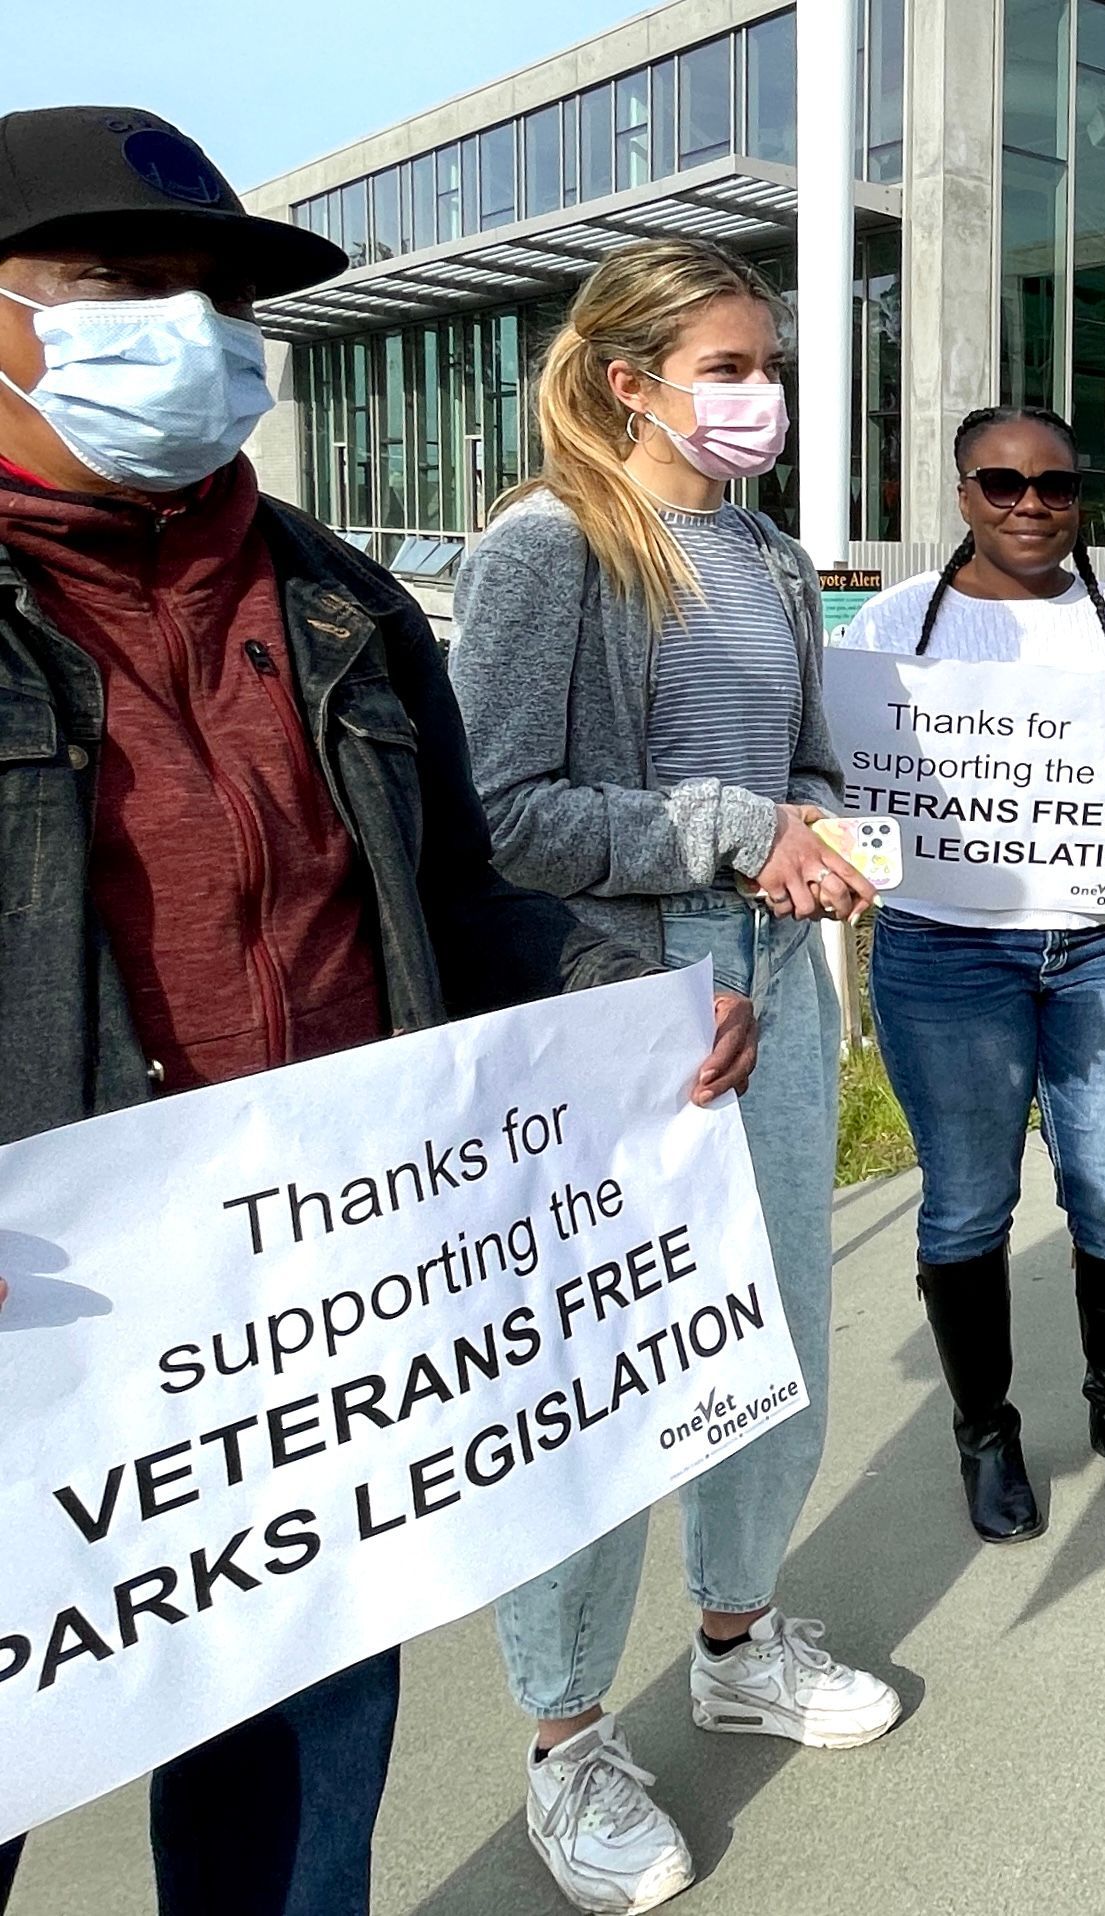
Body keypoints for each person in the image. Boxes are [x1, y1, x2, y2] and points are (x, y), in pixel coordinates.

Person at [0, 107, 743, 1915]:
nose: (185, 328)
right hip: (43, 1355)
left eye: (216, 293)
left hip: (309, 1353)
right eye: (116, 284)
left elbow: (461, 886)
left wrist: (618, 1010)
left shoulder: (329, 598)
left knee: (292, 1831)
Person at [447, 235, 898, 1915]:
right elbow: (498, 816)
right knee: (606, 1373)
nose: (759, 394)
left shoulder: (772, 559)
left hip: (773, 977)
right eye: (723, 366)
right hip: (616, 997)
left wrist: (825, 835)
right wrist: (728, 834)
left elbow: (789, 766)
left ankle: (733, 1638)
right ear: (625, 378)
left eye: (766, 363)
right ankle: (569, 1740)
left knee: (762, 1336)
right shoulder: (548, 549)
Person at [835, 404, 1105, 1542]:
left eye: (1057, 485)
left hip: (1100, 943)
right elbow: (845, 774)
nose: (1031, 505)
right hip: (945, 948)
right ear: (960, 493)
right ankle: (984, 1430)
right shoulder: (898, 622)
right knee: (966, 1202)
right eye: (1001, 484)